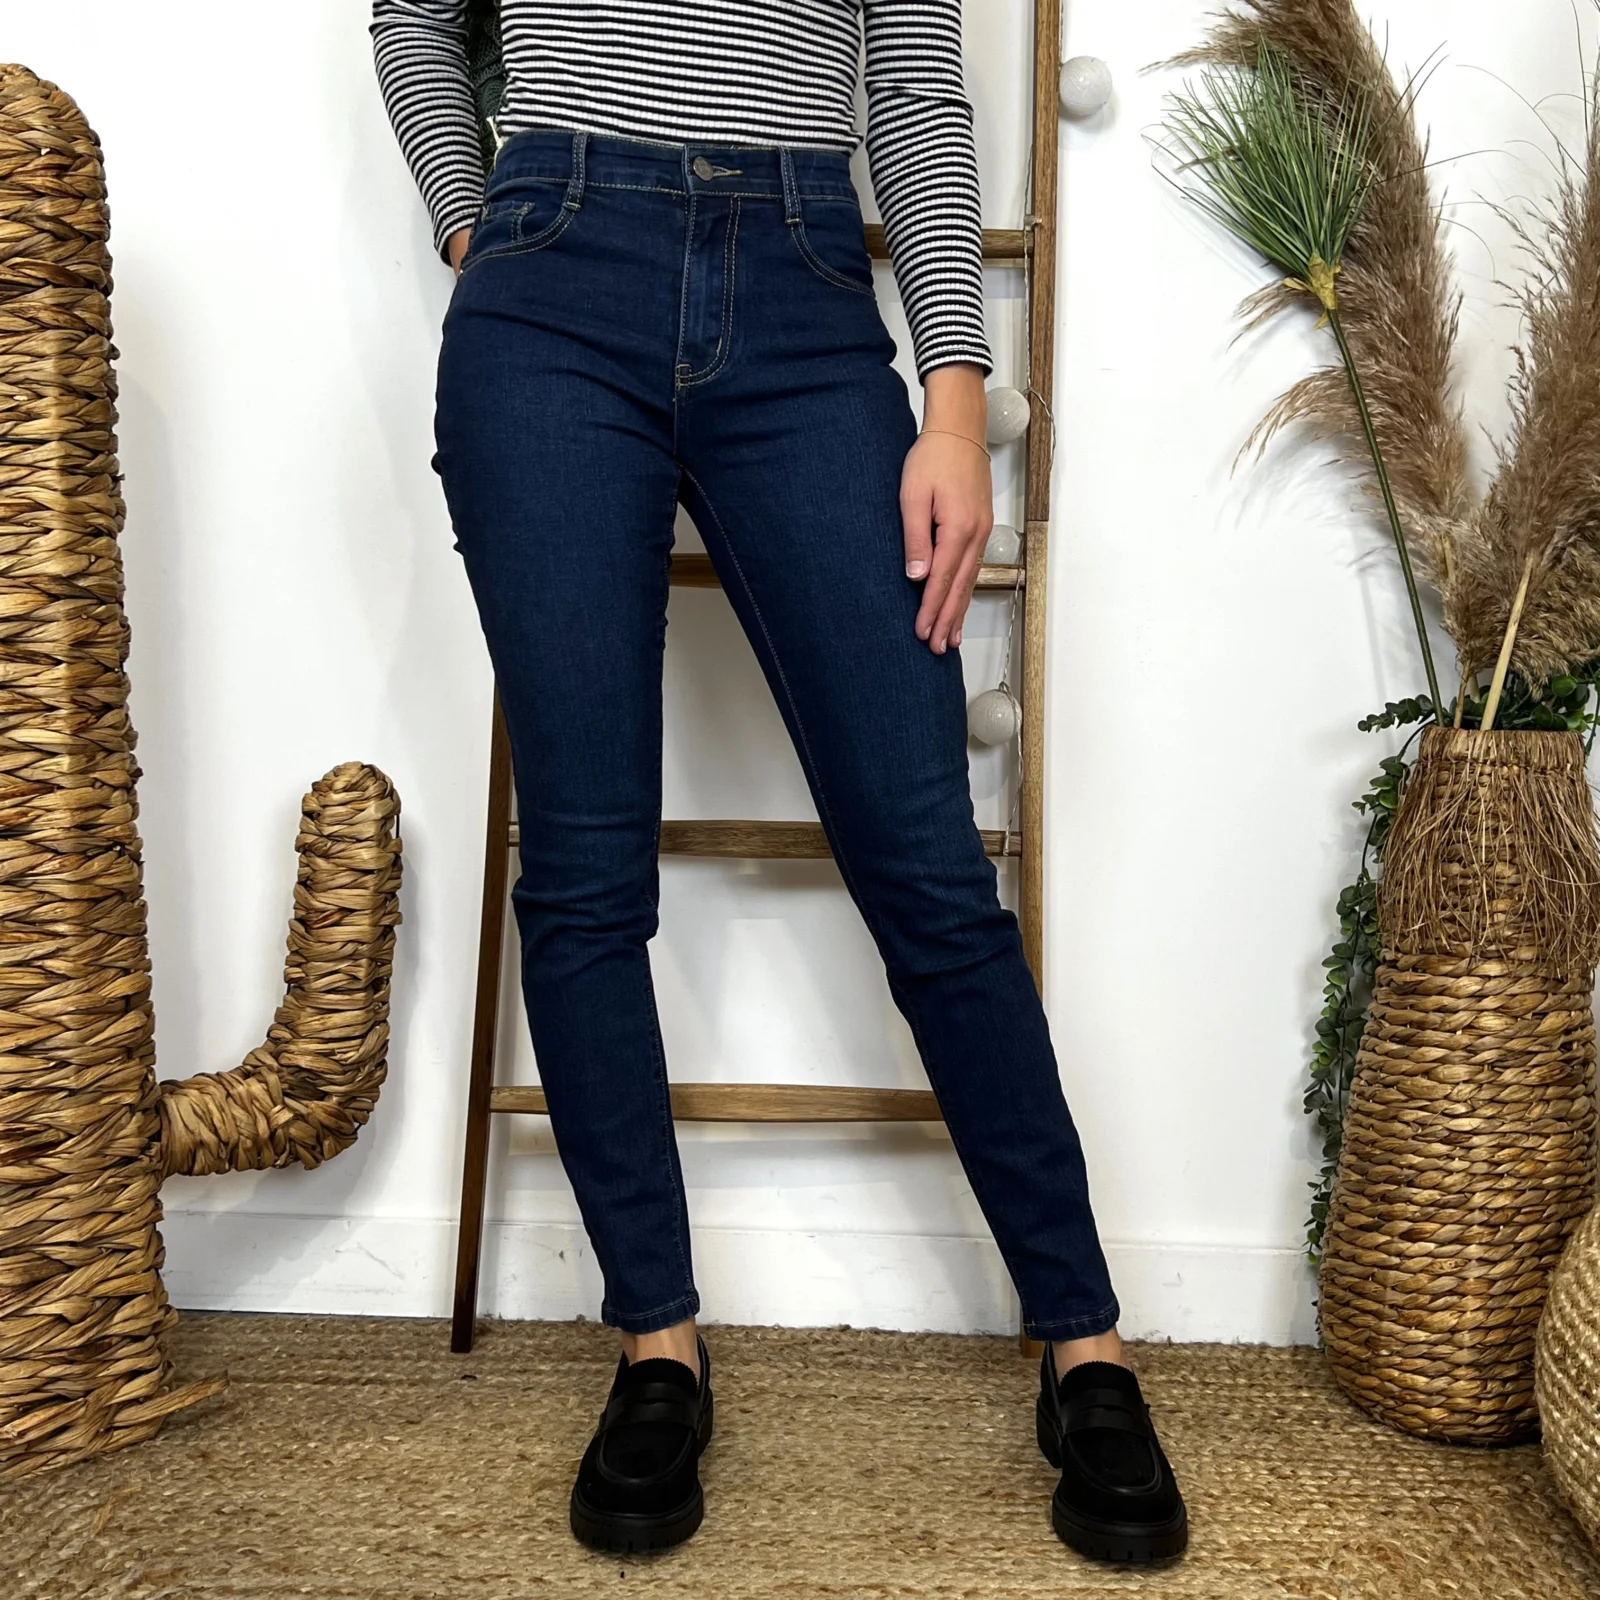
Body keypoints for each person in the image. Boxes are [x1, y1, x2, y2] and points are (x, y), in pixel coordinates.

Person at [369, 0, 1187, 1565]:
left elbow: (915, 81)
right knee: (586, 869)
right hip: (552, 280)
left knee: (927, 865)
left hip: (806, 288)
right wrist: (478, 227)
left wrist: (956, 397)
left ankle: (1084, 1340)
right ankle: (656, 1343)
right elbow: (414, 17)